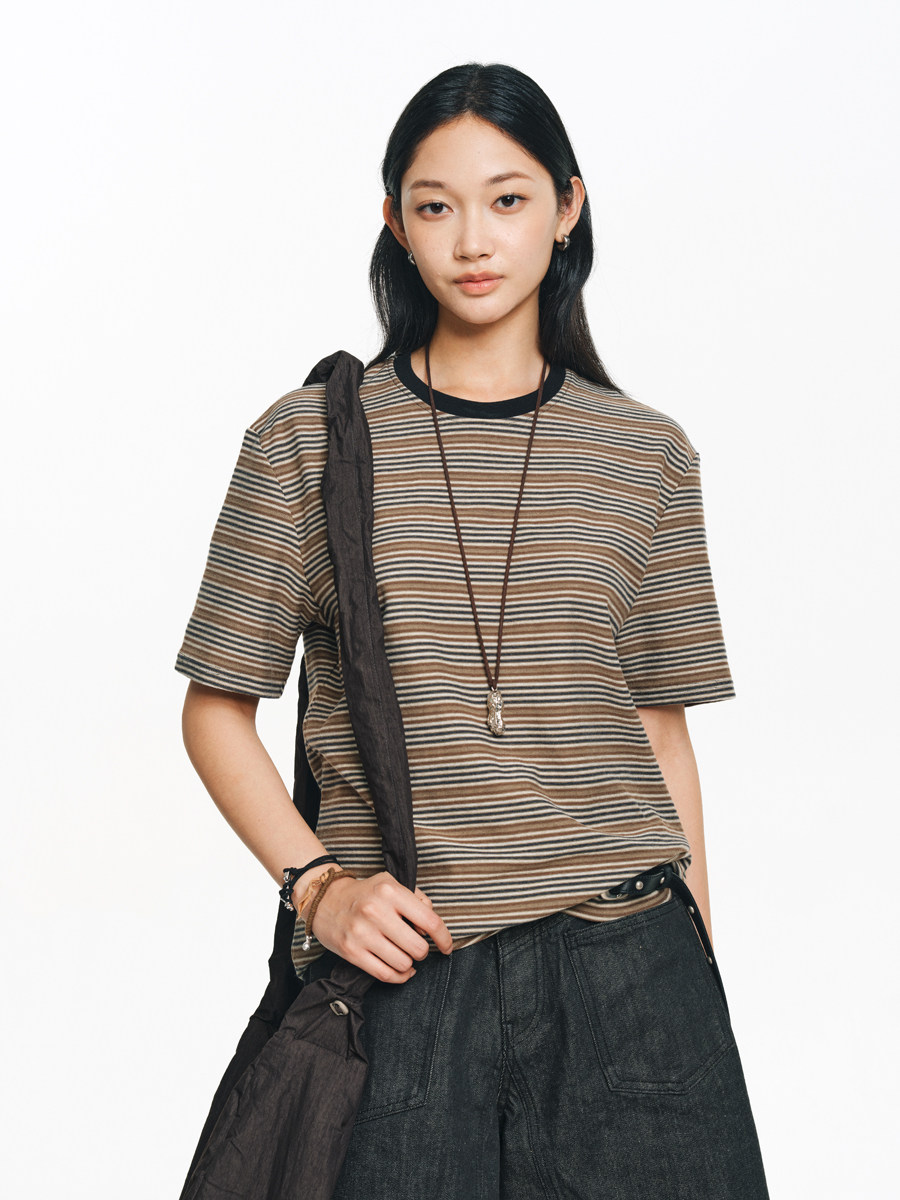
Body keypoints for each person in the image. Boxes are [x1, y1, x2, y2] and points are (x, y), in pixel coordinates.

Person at [175, 62, 769, 1199]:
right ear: (395, 223)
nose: (474, 240)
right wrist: (320, 890)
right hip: (411, 968)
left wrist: (701, 976)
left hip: (632, 968)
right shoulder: (307, 440)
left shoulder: (645, 453)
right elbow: (214, 711)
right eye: (436, 205)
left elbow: (661, 731)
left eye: (508, 199)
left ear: (568, 207)